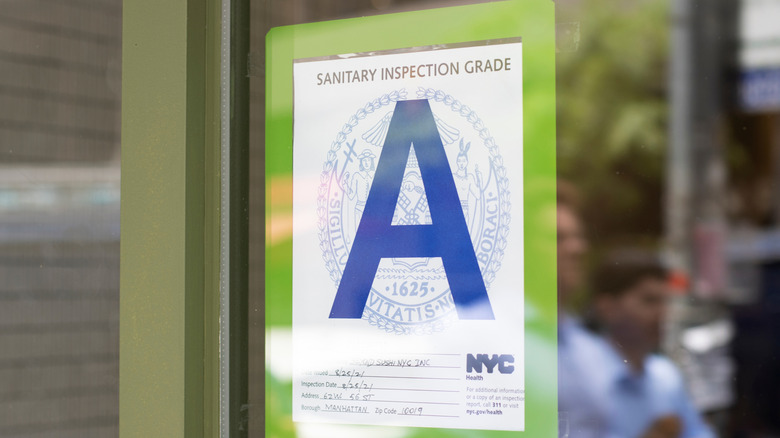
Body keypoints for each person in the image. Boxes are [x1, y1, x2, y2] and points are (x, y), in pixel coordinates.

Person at [592, 254, 714, 438]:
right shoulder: (582, 374)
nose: (663, 312)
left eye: (666, 301)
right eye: (649, 301)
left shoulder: (665, 374)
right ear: (608, 307)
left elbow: (697, 432)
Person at [557, 181, 613, 437]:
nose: (577, 248)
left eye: (578, 237)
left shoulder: (592, 352)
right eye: (558, 238)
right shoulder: (475, 338)